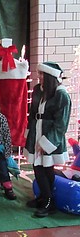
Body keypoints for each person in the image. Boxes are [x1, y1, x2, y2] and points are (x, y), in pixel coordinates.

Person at [24, 61, 71, 218]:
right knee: (37, 167)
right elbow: (32, 113)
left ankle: (49, 202)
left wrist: (47, 142)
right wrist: (29, 133)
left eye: (43, 74)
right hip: (36, 132)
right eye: (39, 73)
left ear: (51, 76)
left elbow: (61, 124)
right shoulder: (38, 90)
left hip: (50, 136)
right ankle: (44, 198)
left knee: (44, 168)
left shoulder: (61, 95)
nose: (39, 77)